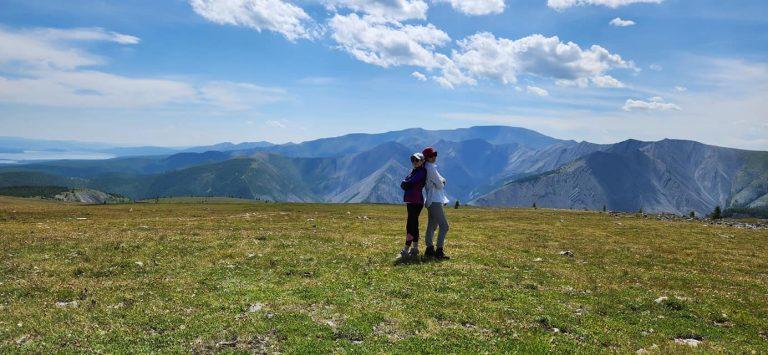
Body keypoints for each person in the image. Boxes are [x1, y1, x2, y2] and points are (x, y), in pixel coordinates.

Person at [422, 147, 450, 260]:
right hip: (435, 200)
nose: (434, 156)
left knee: (432, 225)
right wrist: (442, 182)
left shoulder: (429, 167)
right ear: (427, 158)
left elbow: (439, 181)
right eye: (431, 155)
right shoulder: (431, 168)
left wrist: (440, 181)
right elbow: (440, 184)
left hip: (430, 200)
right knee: (444, 226)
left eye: (435, 154)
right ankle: (439, 251)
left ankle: (429, 249)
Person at [399, 153, 426, 259]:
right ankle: (414, 248)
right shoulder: (415, 171)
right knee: (413, 225)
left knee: (410, 225)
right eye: (413, 160)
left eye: (417, 160)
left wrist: (405, 183)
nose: (414, 162)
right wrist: (405, 183)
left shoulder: (421, 172)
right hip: (412, 201)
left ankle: (405, 250)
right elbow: (405, 183)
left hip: (415, 201)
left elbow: (407, 183)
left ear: (422, 161)